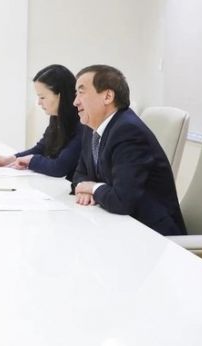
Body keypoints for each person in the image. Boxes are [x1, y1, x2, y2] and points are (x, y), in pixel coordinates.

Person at [71, 64, 186, 236]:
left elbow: (122, 200)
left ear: (108, 96)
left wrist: (93, 188)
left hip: (154, 235)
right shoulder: (92, 128)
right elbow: (80, 174)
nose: (75, 102)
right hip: (119, 226)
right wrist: (85, 188)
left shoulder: (128, 131)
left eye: (81, 92)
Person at [0, 64, 83, 181]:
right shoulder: (57, 118)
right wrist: (10, 159)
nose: (39, 103)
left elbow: (59, 168)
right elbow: (41, 148)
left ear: (60, 96)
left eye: (42, 97)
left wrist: (31, 160)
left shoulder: (82, 123)